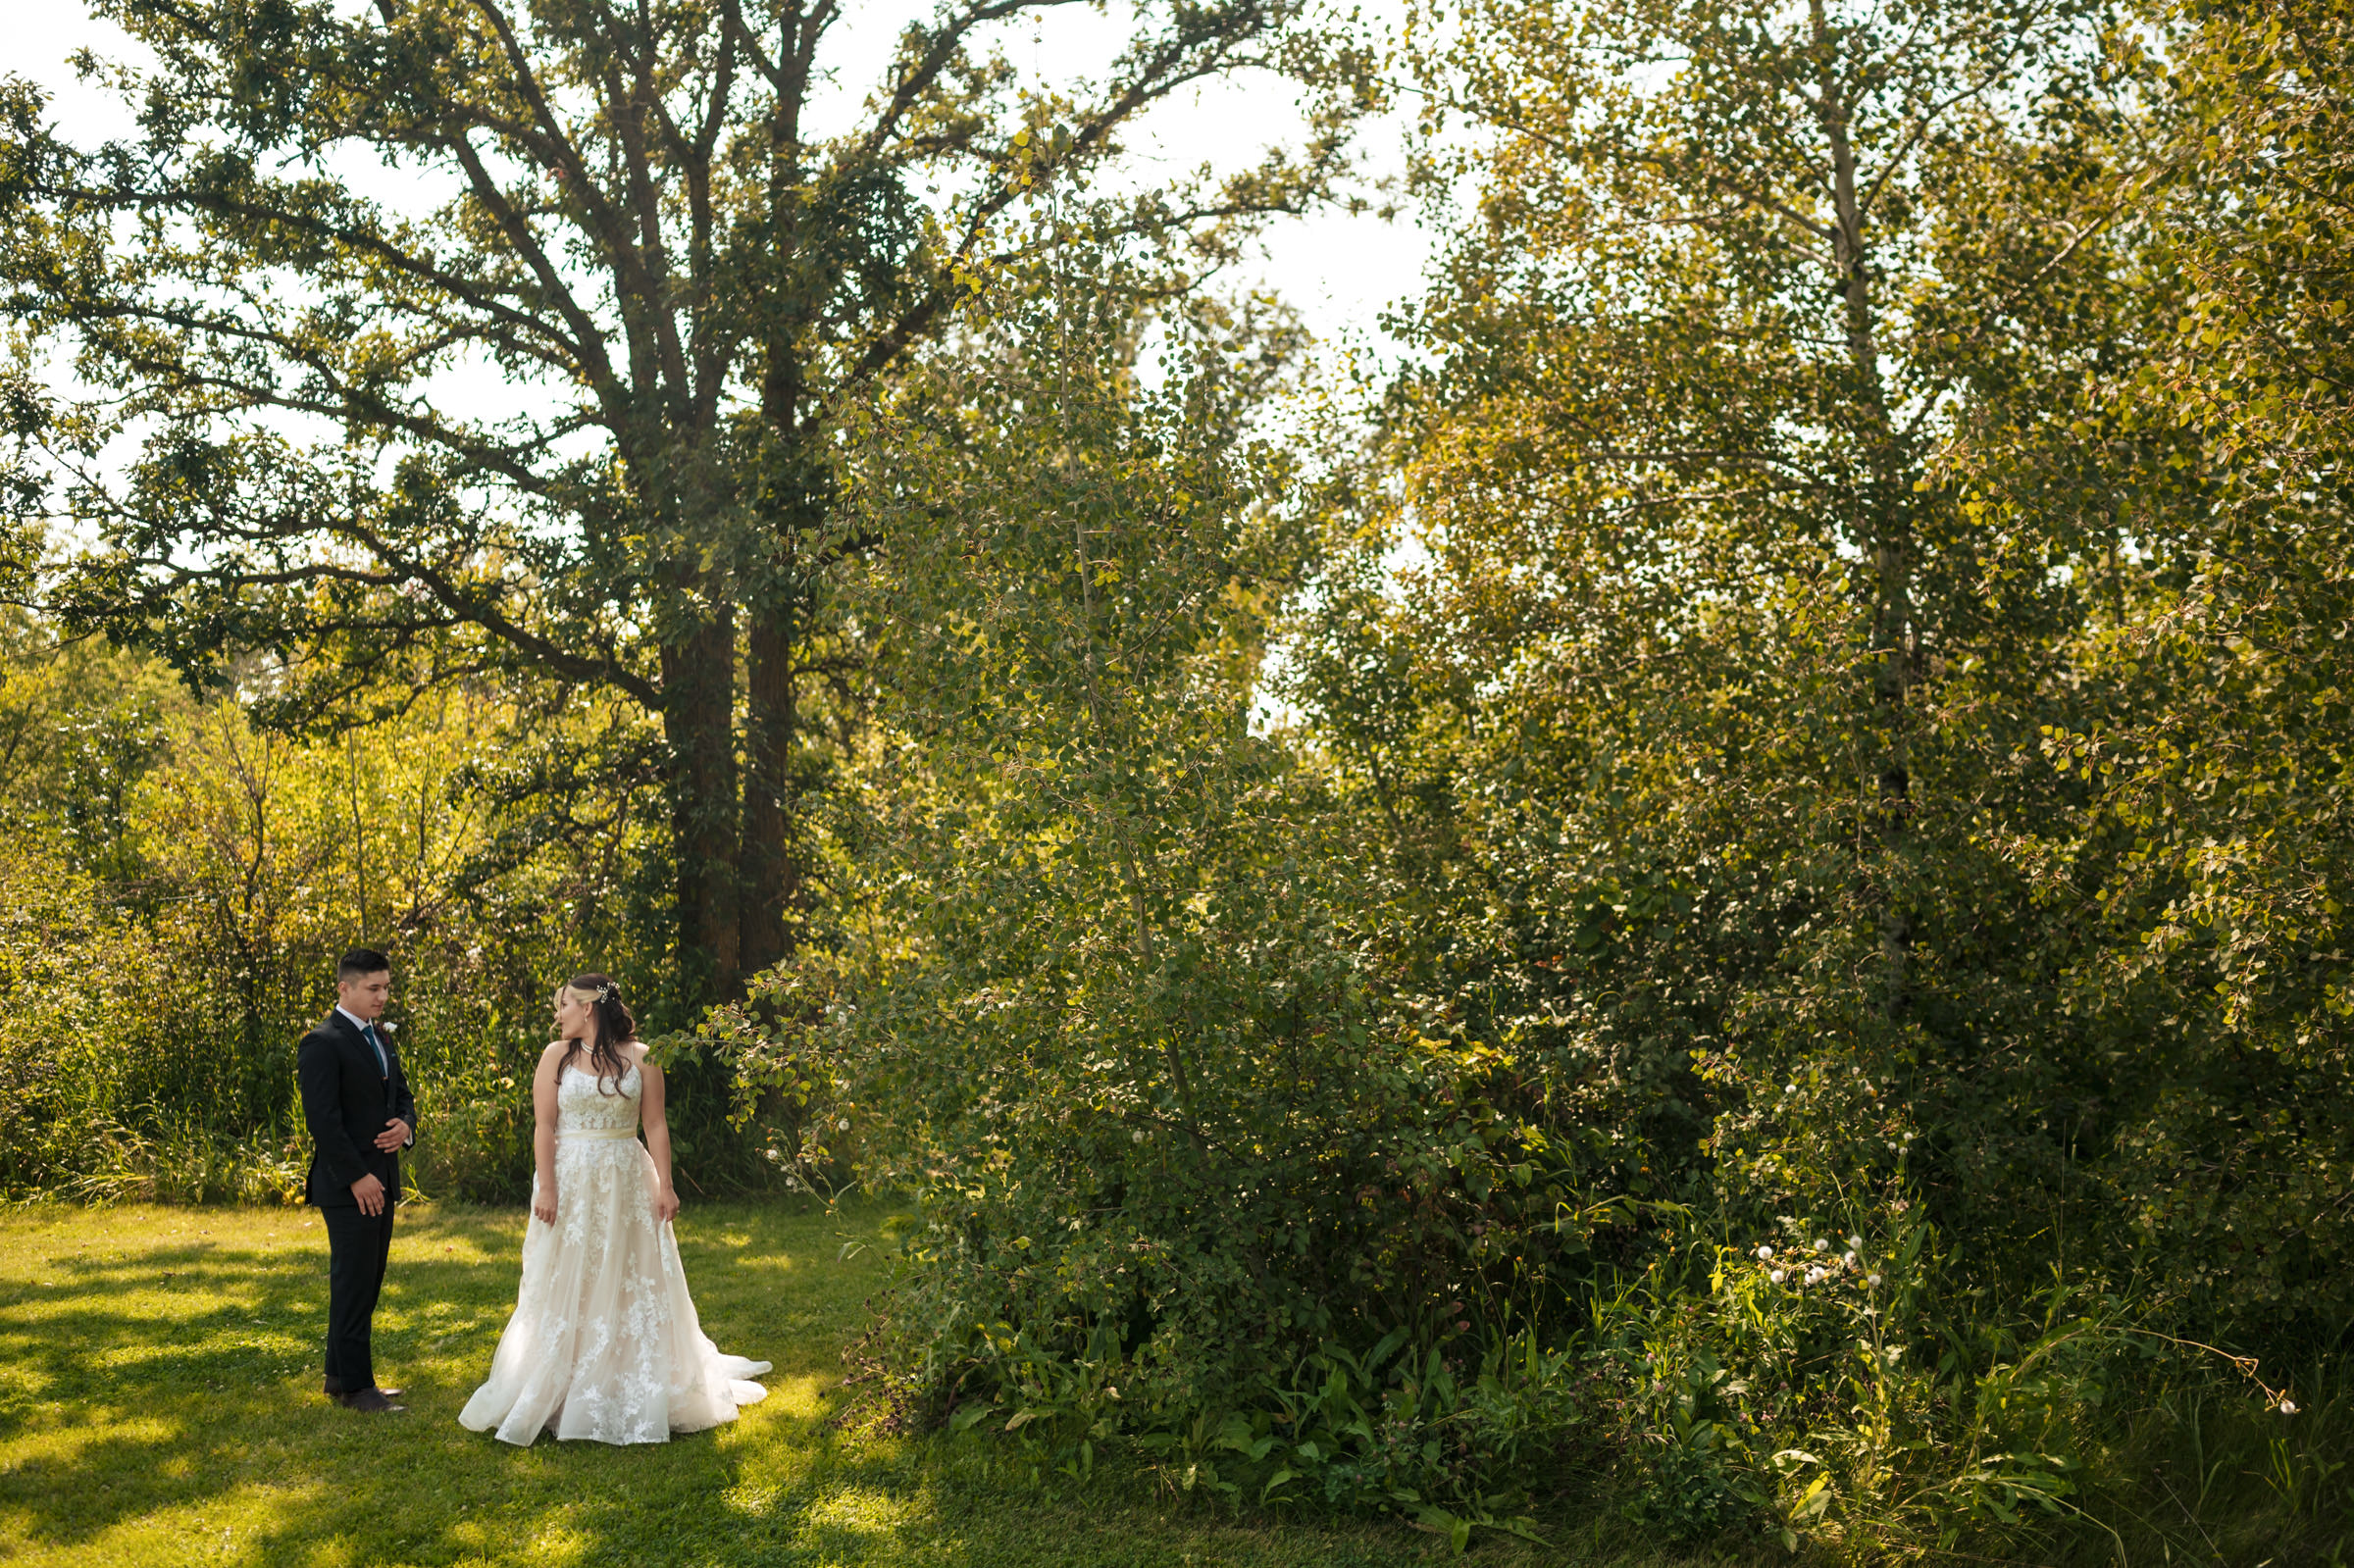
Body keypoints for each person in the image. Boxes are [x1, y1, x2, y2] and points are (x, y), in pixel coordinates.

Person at [459, 973, 770, 1444]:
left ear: (588, 1008)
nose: (557, 1015)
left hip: (626, 1179)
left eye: (563, 1005)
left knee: (630, 1273)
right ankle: (558, 1379)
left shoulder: (642, 1057)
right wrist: (546, 1188)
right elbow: (544, 1127)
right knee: (566, 1276)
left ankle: (626, 1372)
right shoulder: (555, 1058)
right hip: (570, 1180)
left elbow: (656, 1125)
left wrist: (665, 1185)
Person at [297, 946, 418, 1414]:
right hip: (349, 1186)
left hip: (383, 1179)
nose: (383, 996)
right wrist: (357, 1177)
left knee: (367, 1281)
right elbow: (323, 1122)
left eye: (386, 987)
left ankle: (337, 1375)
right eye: (374, 988)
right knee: (353, 1282)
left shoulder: (380, 1038)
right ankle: (358, 1388)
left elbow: (403, 1096)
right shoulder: (322, 1043)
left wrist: (406, 1126)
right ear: (344, 988)